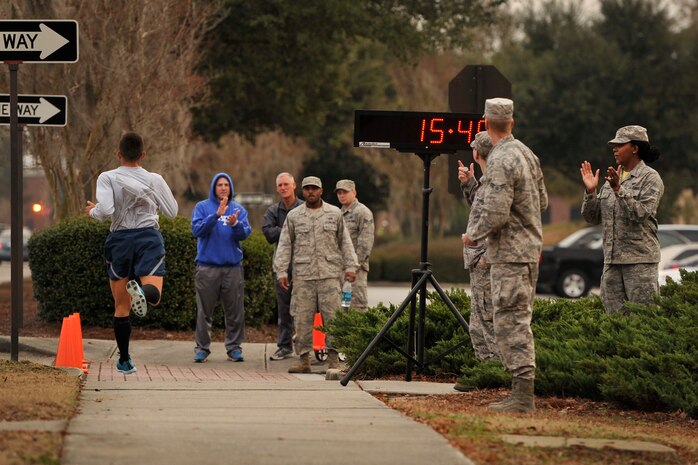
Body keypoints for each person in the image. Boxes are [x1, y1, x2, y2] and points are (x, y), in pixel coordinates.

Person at [462, 98, 548, 412]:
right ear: (512, 121)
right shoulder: (527, 153)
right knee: (517, 319)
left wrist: (473, 235)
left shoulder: (500, 158)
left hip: (510, 254)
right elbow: (542, 201)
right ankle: (520, 393)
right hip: (526, 249)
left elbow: (495, 213)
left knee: (511, 321)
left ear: (486, 121)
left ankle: (523, 398)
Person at [86, 132, 178, 375]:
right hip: (149, 237)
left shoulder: (107, 177)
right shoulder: (154, 179)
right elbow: (172, 212)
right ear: (143, 155)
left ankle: (125, 360)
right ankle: (142, 290)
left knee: (121, 306)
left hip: (120, 240)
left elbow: (105, 210)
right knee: (155, 295)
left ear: (119, 154)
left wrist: (93, 212)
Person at [274, 176, 358, 373]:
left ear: (321, 190)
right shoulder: (294, 216)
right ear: (303, 192)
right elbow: (285, 244)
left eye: (314, 188)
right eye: (307, 189)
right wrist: (281, 270)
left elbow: (344, 241)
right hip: (303, 276)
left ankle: (334, 360)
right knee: (302, 319)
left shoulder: (334, 213)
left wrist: (351, 267)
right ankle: (304, 360)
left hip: (329, 275)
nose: (311, 192)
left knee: (333, 318)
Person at [580, 125, 663, 314]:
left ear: (635, 148)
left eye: (620, 145)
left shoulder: (650, 178)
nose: (614, 149)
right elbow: (592, 217)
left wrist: (619, 190)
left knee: (643, 319)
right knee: (614, 322)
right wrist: (591, 192)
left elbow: (640, 213)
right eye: (614, 145)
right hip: (612, 262)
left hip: (640, 262)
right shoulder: (612, 179)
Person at [454, 132, 501, 393]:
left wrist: (487, 258)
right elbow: (480, 210)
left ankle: (494, 373)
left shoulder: (495, 181)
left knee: (488, 319)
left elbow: (499, 222)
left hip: (485, 260)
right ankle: (484, 370)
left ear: (476, 153)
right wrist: (470, 184)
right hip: (478, 261)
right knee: (477, 321)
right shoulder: (486, 182)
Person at [191, 173, 252, 363]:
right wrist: (216, 215)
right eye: (220, 185)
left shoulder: (238, 209)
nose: (223, 188)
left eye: (226, 184)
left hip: (232, 268)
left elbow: (245, 234)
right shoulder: (202, 207)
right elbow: (197, 230)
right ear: (213, 187)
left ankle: (234, 348)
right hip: (207, 268)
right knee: (204, 312)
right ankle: (202, 348)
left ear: (231, 188)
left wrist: (235, 224)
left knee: (235, 312)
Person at [262, 172, 304, 361]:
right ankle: (284, 346)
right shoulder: (273, 210)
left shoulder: (304, 207)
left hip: (304, 267)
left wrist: (281, 230)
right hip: (282, 268)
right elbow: (268, 234)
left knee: (306, 309)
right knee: (284, 310)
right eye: (280, 185)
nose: (283, 188)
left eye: (286, 184)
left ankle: (306, 346)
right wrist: (288, 230)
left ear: (294, 185)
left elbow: (307, 233)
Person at [335, 179, 374, 311]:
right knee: (341, 309)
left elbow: (365, 244)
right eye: (339, 192)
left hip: (356, 272)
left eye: (345, 192)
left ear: (354, 192)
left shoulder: (362, 212)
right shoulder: (337, 214)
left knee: (357, 308)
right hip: (339, 270)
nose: (341, 195)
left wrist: (353, 267)